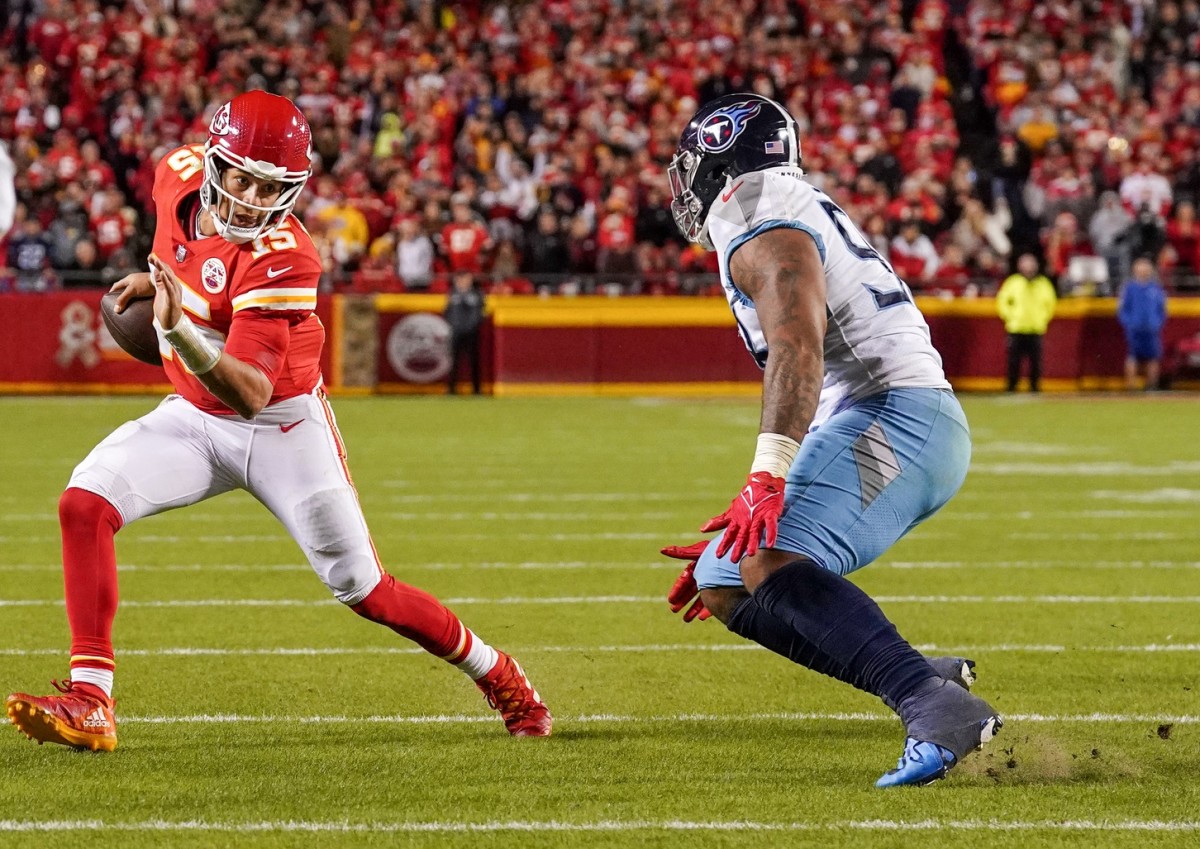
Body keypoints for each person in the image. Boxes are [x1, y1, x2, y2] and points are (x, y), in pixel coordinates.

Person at [4, 91, 550, 752]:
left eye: (271, 186)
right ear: (210, 163)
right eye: (239, 177)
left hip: (280, 427)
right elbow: (188, 259)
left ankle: (498, 672)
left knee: (365, 588)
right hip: (193, 417)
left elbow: (249, 393)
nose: (251, 198)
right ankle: (91, 700)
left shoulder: (287, 255)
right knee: (83, 502)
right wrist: (158, 283)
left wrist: (177, 322)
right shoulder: (173, 175)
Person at [662, 93, 1001, 789]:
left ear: (722, 157)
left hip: (899, 420)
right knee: (726, 578)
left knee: (766, 560)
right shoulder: (777, 205)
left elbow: (797, 347)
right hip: (892, 417)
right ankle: (922, 674)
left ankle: (932, 702)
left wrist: (767, 477)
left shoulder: (757, 217)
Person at [997, 253, 1057, 392]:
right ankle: (1012, 386)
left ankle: (1034, 386)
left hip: (1035, 328)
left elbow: (1051, 304)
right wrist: (1010, 317)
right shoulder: (1013, 282)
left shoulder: (1043, 284)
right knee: (1013, 361)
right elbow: (1002, 301)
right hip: (1016, 327)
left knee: (1036, 361)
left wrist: (1042, 318)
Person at [1117, 256, 1168, 390]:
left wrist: (1157, 323)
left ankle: (1151, 386)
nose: (1144, 271)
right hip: (1134, 328)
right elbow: (1123, 309)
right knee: (1132, 356)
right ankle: (1131, 387)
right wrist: (1129, 323)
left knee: (1153, 357)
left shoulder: (1156, 288)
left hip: (1152, 328)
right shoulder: (1129, 288)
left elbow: (1162, 309)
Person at [444, 270, 485, 395]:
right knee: (454, 361)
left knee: (474, 361)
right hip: (456, 331)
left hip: (472, 332)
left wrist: (472, 325)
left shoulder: (477, 294)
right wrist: (453, 325)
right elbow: (447, 311)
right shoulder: (453, 294)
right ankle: (451, 389)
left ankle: (476, 389)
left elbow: (480, 312)